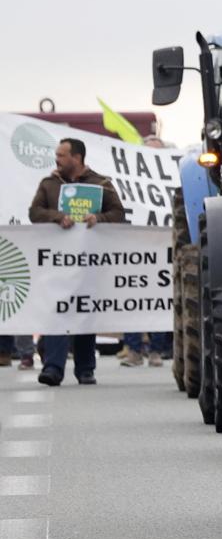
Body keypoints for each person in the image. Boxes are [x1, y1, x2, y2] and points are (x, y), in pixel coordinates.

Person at [28, 137, 130, 386]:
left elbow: (118, 213)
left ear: (77, 158)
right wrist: (57, 217)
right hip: (57, 262)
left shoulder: (101, 184)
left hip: (89, 261)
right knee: (58, 312)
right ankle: (53, 367)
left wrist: (98, 219)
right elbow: (35, 212)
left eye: (62, 155)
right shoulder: (49, 184)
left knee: (85, 311)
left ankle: (85, 369)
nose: (57, 159)